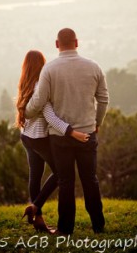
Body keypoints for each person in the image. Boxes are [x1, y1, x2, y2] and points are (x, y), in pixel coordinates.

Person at [25, 28, 109, 235]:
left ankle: (65, 230)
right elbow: (104, 99)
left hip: (59, 137)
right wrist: (97, 122)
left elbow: (38, 102)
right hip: (88, 133)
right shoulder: (94, 67)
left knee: (65, 182)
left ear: (56, 44)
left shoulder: (50, 70)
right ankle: (98, 225)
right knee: (90, 179)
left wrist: (24, 111)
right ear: (77, 42)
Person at [16, 50, 89, 233]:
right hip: (39, 138)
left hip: (26, 136)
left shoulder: (25, 84)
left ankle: (38, 219)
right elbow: (49, 117)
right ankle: (35, 206)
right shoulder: (40, 85)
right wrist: (72, 132)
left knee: (35, 175)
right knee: (61, 173)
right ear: (42, 64)